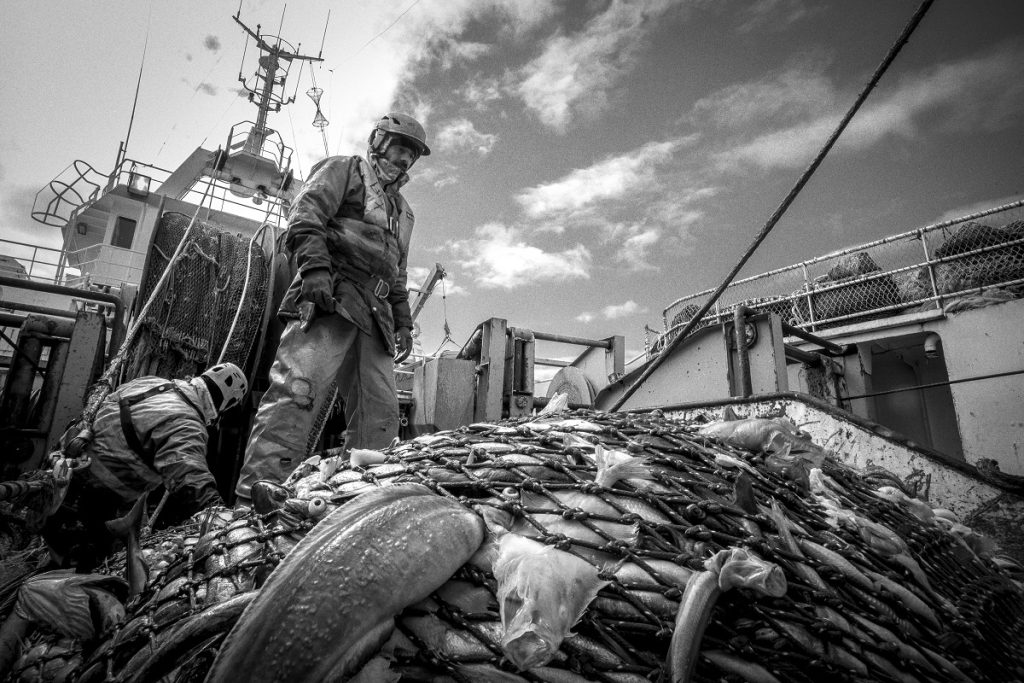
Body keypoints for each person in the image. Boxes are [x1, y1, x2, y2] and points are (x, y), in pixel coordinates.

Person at [234, 112, 429, 506]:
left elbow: (397, 272)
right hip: (332, 299)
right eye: (399, 147)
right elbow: (305, 217)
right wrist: (316, 272)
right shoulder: (345, 170)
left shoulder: (405, 213)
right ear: (377, 141)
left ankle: (357, 503)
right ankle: (254, 502)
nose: (404, 158)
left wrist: (403, 323)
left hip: (376, 320)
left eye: (411, 154)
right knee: (297, 395)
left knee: (381, 415)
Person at [42, 363, 248, 568]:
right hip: (92, 503)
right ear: (227, 404)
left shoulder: (150, 382)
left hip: (63, 475)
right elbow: (188, 475)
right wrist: (216, 512)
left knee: (55, 559)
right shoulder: (187, 423)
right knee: (79, 573)